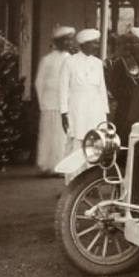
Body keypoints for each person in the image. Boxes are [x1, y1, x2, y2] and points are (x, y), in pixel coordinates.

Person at [59, 29, 110, 184]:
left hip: (95, 110)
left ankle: (90, 183)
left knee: (94, 144)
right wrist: (64, 112)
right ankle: (72, 183)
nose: (96, 46)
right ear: (84, 44)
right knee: (77, 144)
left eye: (96, 43)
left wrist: (105, 113)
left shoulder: (98, 63)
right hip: (77, 109)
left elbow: (102, 88)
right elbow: (63, 88)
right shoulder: (69, 62)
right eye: (93, 43)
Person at [34, 26, 75, 177]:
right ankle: (46, 165)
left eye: (70, 40)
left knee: (62, 136)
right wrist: (42, 103)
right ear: (57, 42)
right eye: (65, 40)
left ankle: (60, 166)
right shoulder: (47, 60)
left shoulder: (71, 59)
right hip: (49, 104)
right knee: (47, 135)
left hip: (64, 104)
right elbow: (39, 82)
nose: (68, 43)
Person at [107, 27, 139, 143]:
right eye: (130, 42)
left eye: (135, 42)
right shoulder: (121, 63)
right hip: (126, 107)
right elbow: (113, 85)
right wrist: (124, 93)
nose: (130, 45)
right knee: (123, 138)